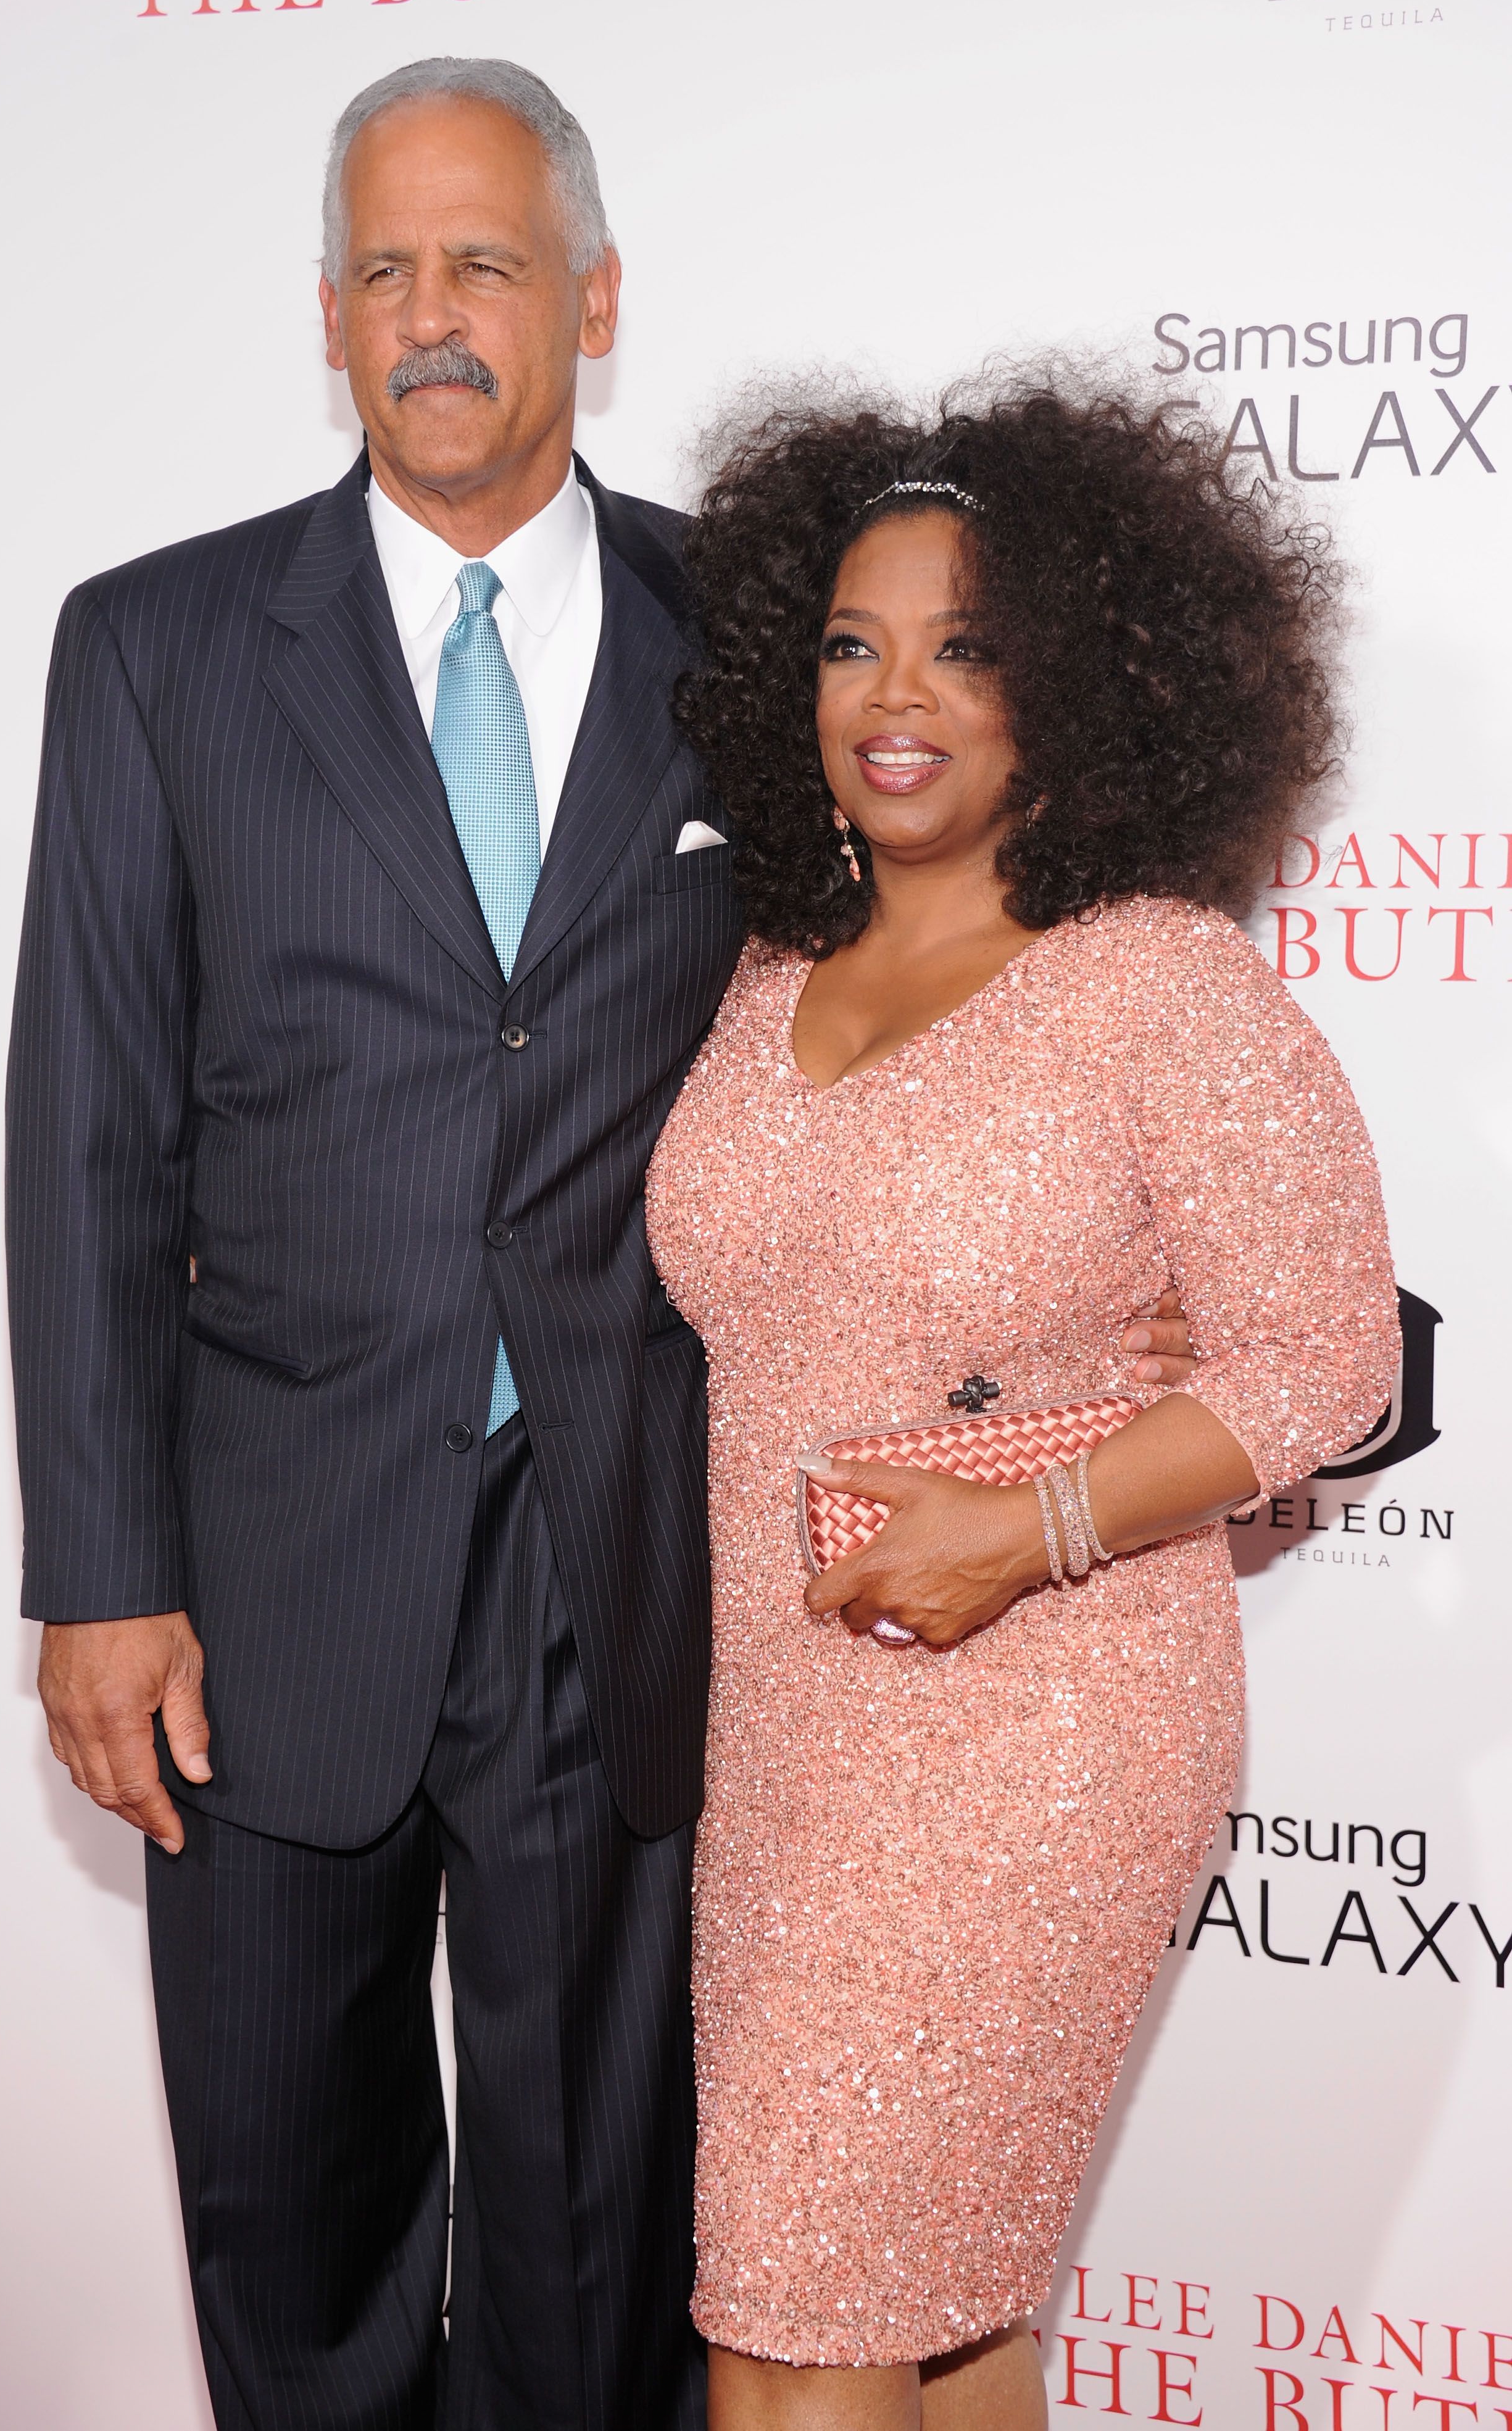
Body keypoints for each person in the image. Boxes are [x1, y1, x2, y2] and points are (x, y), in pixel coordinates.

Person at [6, 64, 1199, 2431]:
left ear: (597, 297)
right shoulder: (151, 649)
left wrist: (1130, 1247)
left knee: (597, 2253)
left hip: (634, 1564)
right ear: (326, 317)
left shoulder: (759, 652)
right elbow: (88, 1135)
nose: (432, 316)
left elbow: (960, 960)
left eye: (485, 265)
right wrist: (98, 1567)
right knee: (291, 2221)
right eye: (385, 271)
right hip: (257, 1579)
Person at [644, 380, 1400, 2430]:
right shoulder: (762, 961)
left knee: (796, 2328)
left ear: (1078, 683)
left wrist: (1031, 1520)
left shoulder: (1157, 979)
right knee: (954, 2316)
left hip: (1045, 1725)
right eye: (852, 643)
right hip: (793, 1731)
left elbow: (1332, 1356)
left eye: (969, 646)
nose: (899, 696)